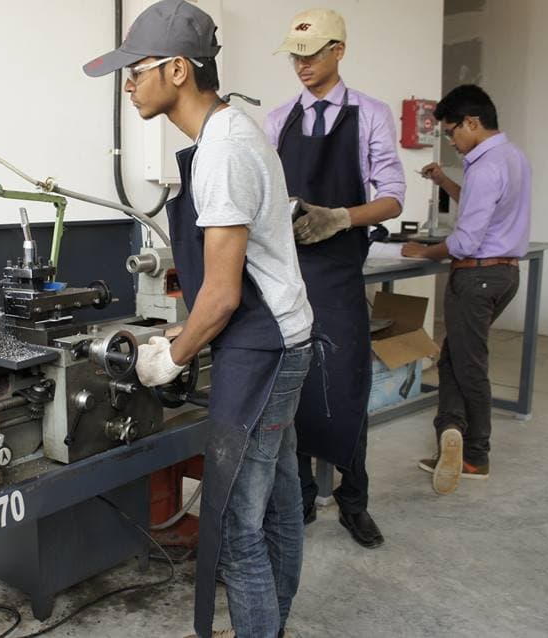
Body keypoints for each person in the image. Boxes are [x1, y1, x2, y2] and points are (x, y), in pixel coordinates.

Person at [84, 2, 313, 636]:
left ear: (178, 70)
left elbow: (221, 297)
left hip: (264, 351)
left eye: (136, 71)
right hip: (281, 339)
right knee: (280, 506)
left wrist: (171, 355)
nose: (127, 85)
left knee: (238, 529)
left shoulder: (223, 151)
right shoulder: (227, 135)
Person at [263, 8, 405, 550]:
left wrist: (341, 217)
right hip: (289, 277)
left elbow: (393, 195)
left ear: (338, 51)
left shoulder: (370, 114)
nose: (302, 64)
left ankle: (354, 500)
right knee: (294, 385)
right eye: (295, 55)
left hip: (341, 273)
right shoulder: (278, 120)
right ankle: (298, 495)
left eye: (313, 53)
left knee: (347, 386)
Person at [402, 84, 530, 495]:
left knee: (467, 364)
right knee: (456, 358)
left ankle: (475, 452)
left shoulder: (485, 165)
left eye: (452, 131)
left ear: (472, 123)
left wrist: (423, 251)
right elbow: (481, 206)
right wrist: (443, 180)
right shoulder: (513, 158)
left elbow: (463, 243)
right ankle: (450, 436)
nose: (452, 141)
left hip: (476, 277)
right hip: (505, 276)